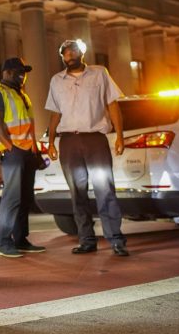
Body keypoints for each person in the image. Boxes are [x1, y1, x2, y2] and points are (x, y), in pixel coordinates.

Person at [45, 39, 129, 257]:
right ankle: (87, 240)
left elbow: (112, 105)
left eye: (72, 51)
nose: (69, 55)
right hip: (68, 143)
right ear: (62, 57)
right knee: (77, 192)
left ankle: (116, 239)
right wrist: (50, 141)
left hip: (95, 140)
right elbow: (55, 113)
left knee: (104, 188)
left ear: (81, 53)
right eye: (65, 53)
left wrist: (120, 136)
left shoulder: (100, 73)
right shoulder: (56, 81)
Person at [0, 57, 46, 258]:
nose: (23, 76)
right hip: (13, 153)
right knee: (11, 199)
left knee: (24, 198)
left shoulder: (22, 95)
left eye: (25, 72)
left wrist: (35, 149)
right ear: (7, 72)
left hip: (28, 152)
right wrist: (10, 148)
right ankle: (4, 242)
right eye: (19, 72)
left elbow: (28, 125)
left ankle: (21, 239)